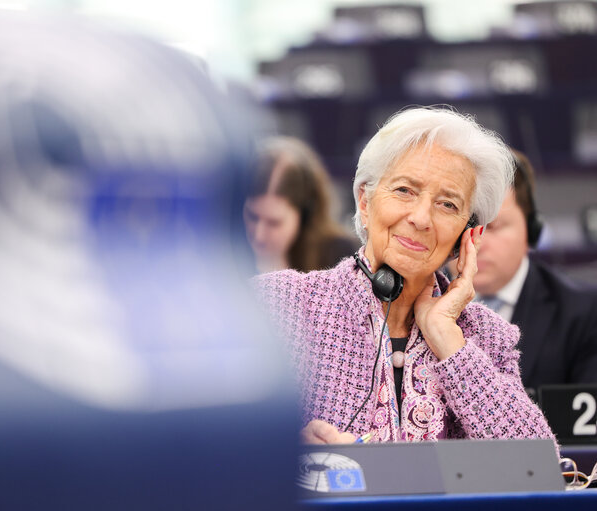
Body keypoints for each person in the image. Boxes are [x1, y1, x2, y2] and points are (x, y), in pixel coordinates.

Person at [252, 107, 556, 445]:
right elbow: (224, 449)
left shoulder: (484, 336)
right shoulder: (280, 304)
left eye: (448, 205)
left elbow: (537, 466)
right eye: (404, 191)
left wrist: (448, 340)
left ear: (466, 236)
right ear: (365, 203)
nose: (421, 217)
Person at [472, 149, 597, 390]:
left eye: (494, 227)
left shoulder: (585, 313)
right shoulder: (414, 307)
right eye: (468, 226)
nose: (477, 243)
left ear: (531, 230)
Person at [243, 136, 357, 273]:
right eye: (252, 217)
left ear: (305, 215)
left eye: (274, 223)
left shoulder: (340, 258)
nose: (258, 235)